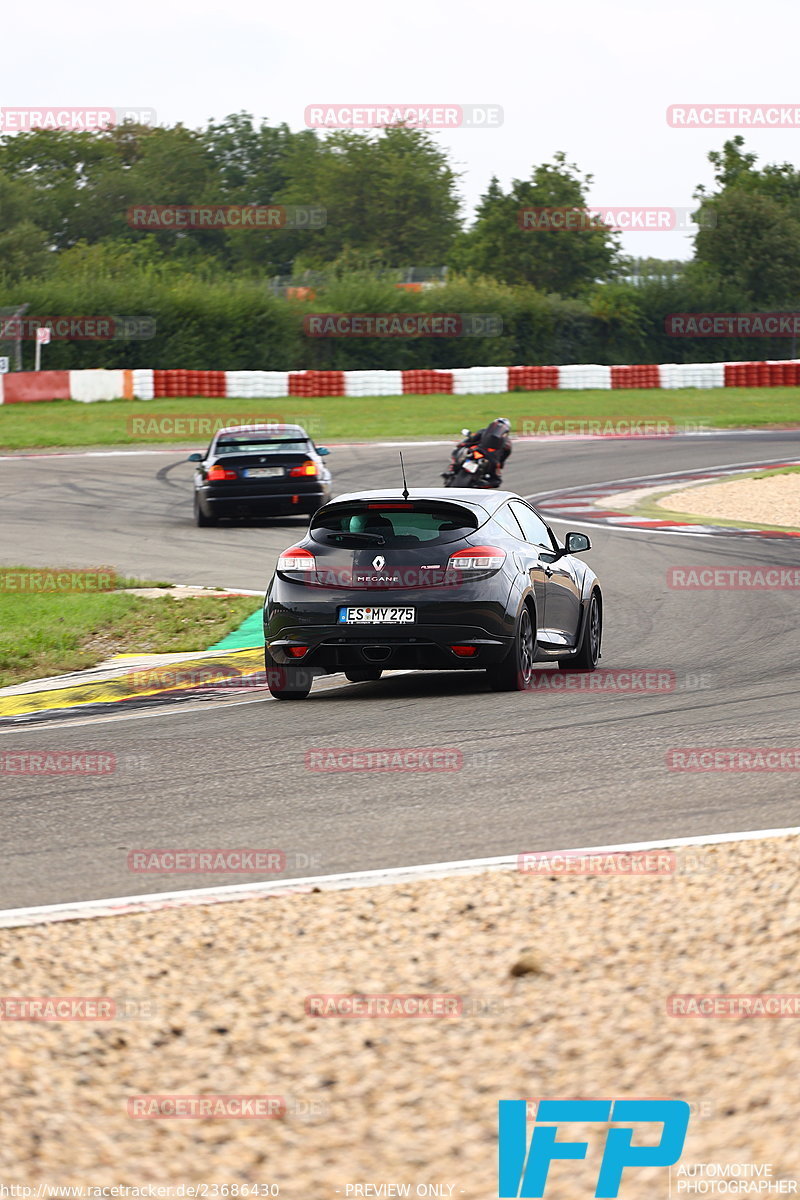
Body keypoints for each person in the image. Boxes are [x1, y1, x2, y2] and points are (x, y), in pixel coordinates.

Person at [456, 417, 512, 486]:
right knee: (496, 480)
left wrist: (463, 444)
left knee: (496, 480)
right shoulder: (507, 442)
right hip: (485, 456)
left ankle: (479, 483)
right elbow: (505, 455)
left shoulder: (483, 432)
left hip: (479, 453)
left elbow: (471, 439)